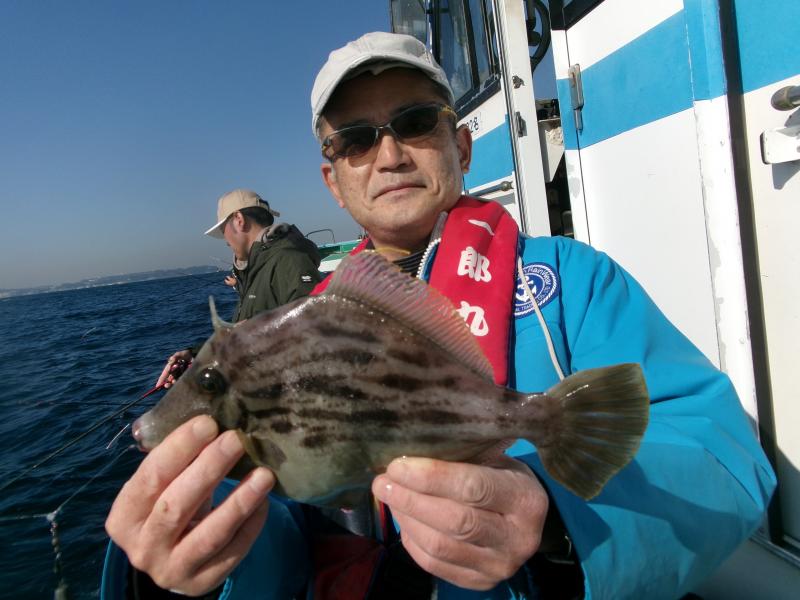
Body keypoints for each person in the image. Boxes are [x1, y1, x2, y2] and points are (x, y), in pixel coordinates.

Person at [106, 33, 776, 599]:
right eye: (357, 140)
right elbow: (291, 537)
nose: (390, 155)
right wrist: (200, 557)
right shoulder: (306, 327)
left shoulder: (572, 282)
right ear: (333, 181)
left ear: (461, 145)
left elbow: (731, 464)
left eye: (416, 122)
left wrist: (556, 518)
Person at [155, 188, 322, 389]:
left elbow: (317, 330)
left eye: (223, 230)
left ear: (239, 220)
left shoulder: (288, 259)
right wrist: (197, 356)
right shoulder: (256, 269)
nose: (225, 240)